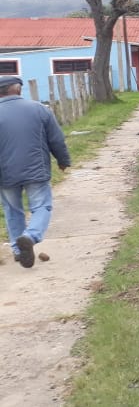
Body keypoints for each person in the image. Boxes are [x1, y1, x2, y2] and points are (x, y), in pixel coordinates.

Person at [0, 76, 72, 268]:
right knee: (41, 206)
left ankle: (18, 249)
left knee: (12, 210)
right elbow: (56, 139)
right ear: (18, 90)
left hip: (5, 174)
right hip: (35, 169)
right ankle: (30, 237)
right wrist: (63, 161)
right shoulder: (39, 109)